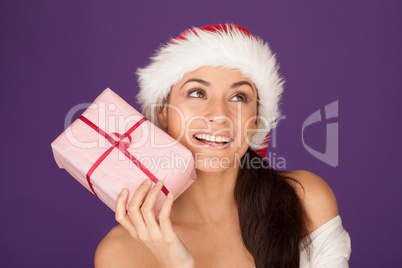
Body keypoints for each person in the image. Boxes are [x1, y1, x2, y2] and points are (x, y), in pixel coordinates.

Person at [94, 24, 351, 267]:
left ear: (256, 121)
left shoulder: (305, 200)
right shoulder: (121, 252)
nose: (219, 114)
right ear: (163, 112)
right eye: (197, 93)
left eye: (239, 97)